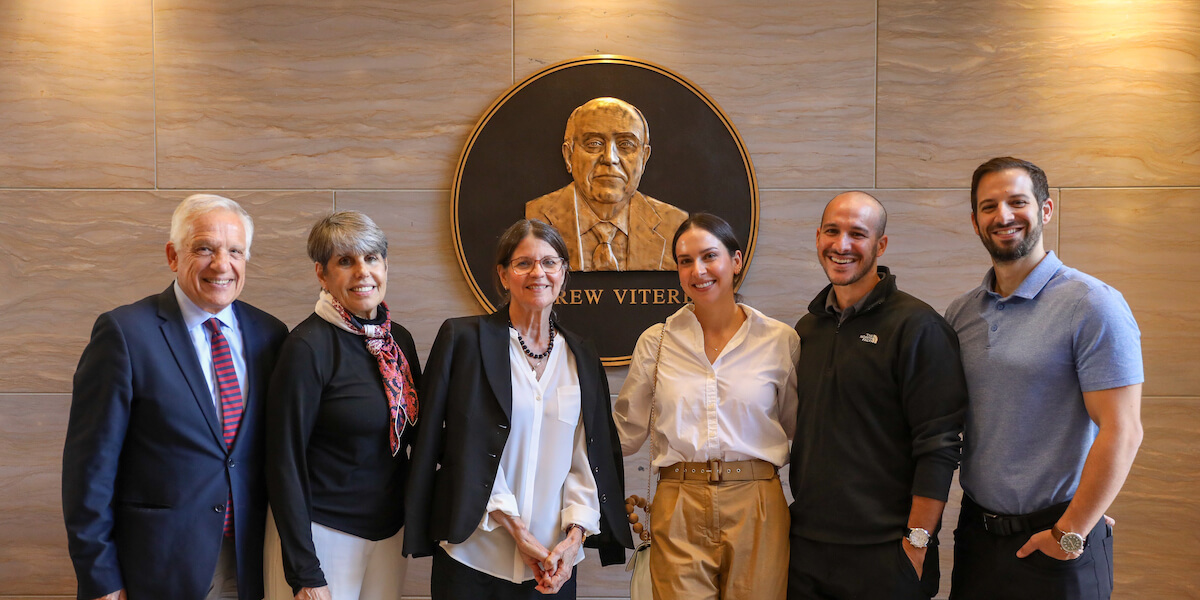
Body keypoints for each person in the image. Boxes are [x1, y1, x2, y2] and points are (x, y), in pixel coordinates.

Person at [62, 194, 289, 600]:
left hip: (252, 559)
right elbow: (88, 469)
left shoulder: (271, 335)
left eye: (235, 251)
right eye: (204, 249)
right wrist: (100, 578)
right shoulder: (125, 333)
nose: (222, 265)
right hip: (155, 565)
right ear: (173, 255)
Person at [946, 158, 1143, 599]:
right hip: (978, 539)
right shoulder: (960, 313)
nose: (1003, 216)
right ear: (975, 221)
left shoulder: (1093, 305)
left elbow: (1123, 429)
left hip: (1058, 542)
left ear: (1046, 210)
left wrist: (1073, 530)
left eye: (1017, 202)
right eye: (988, 206)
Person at [404, 219, 632, 599]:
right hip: (472, 557)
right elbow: (458, 446)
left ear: (563, 274)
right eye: (523, 263)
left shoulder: (582, 355)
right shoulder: (463, 340)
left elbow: (586, 458)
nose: (537, 273)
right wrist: (518, 533)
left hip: (552, 566)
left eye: (549, 262)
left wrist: (574, 539)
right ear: (503, 274)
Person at [788, 191, 967, 600]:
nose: (842, 245)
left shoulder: (918, 327)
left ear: (880, 245)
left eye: (858, 234)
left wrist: (916, 543)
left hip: (887, 554)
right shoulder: (807, 330)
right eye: (832, 231)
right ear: (818, 237)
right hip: (808, 551)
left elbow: (939, 445)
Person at [614, 213, 799, 600]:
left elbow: (795, 428)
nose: (697, 270)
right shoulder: (657, 341)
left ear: (735, 261)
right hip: (678, 501)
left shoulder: (780, 340)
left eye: (709, 256)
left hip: (758, 500)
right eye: (685, 261)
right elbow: (625, 434)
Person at [264, 211, 421, 600]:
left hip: (388, 532)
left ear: (386, 265)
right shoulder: (306, 347)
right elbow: (283, 462)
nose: (362, 273)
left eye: (371, 258)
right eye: (345, 261)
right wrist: (305, 571)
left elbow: (416, 435)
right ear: (322, 274)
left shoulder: (397, 340)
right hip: (322, 534)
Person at [525, 97, 689, 272]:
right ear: (569, 155)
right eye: (594, 144)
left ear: (644, 158)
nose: (610, 158)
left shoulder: (674, 224)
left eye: (626, 144)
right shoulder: (536, 217)